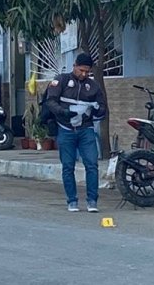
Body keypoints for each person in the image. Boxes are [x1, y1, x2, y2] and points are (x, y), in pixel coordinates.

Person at [43, 52, 108, 213]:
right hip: (65, 129)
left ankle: (92, 201)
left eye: (87, 71)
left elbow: (103, 106)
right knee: (68, 166)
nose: (84, 74)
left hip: (86, 129)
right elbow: (50, 101)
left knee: (92, 164)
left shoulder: (93, 86)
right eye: (81, 70)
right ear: (74, 66)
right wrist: (62, 112)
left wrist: (97, 111)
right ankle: (72, 200)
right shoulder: (62, 80)